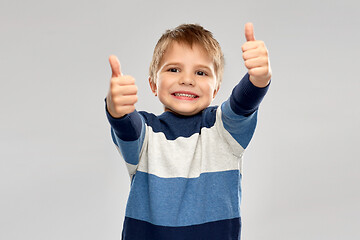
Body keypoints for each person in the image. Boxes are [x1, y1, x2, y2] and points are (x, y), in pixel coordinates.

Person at [105, 22, 271, 240]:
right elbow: (126, 123)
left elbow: (243, 104)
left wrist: (259, 80)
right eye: (174, 69)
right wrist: (115, 107)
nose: (187, 79)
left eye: (201, 73)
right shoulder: (146, 134)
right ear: (153, 84)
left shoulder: (223, 129)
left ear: (216, 89)